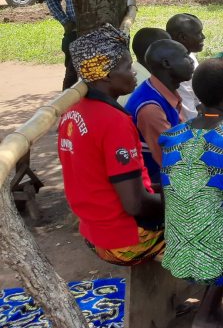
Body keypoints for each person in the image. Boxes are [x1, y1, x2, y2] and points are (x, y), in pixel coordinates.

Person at [159, 58, 223, 328]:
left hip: (178, 253)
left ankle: (211, 312)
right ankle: (210, 316)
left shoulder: (172, 136)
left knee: (215, 206)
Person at [57, 24, 164, 266]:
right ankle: (210, 301)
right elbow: (134, 203)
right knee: (213, 222)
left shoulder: (71, 113)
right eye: (128, 67)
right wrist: (176, 204)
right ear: (106, 75)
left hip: (92, 231)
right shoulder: (114, 121)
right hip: (124, 240)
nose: (135, 72)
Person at [125, 39, 194, 185]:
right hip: (158, 186)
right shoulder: (151, 108)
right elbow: (172, 163)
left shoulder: (161, 90)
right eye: (185, 56)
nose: (191, 61)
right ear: (166, 64)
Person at [117, 27, 171, 107]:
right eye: (170, 48)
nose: (175, 51)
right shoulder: (144, 88)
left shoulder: (135, 72)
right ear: (156, 55)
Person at [166, 13, 206, 120]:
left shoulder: (189, 56)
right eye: (199, 33)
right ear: (182, 37)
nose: (203, 37)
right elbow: (191, 118)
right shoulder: (177, 72)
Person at [45, 0, 78, 90]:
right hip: (75, 32)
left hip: (102, 29)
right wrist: (65, 22)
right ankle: (69, 107)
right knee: (72, 76)